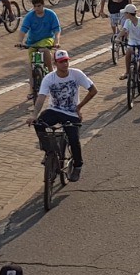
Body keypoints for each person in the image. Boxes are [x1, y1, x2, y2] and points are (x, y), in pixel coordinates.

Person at [33, 49, 95, 182]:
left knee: (74, 140)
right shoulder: (49, 78)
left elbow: (93, 90)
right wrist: (33, 115)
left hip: (71, 113)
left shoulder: (76, 74)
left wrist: (79, 106)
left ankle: (77, 166)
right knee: (38, 124)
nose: (65, 64)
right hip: (54, 111)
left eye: (66, 61)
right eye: (61, 62)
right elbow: (41, 97)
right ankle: (50, 151)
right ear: (55, 64)